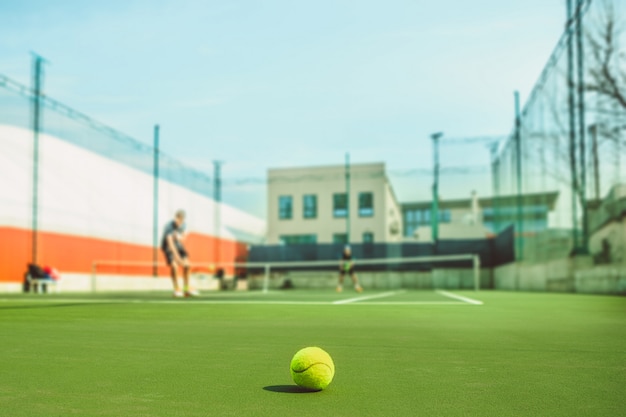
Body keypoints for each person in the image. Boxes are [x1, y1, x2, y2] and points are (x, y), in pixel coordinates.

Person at [162, 210, 198, 298]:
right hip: (168, 246)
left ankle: (186, 288)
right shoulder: (169, 226)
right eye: (176, 219)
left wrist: (179, 237)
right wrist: (177, 257)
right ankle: (176, 289)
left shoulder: (184, 225)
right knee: (174, 266)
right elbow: (170, 243)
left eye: (179, 220)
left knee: (188, 265)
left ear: (182, 220)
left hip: (179, 246)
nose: (177, 221)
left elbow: (183, 239)